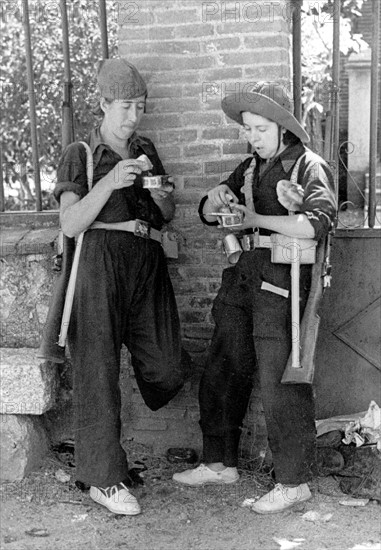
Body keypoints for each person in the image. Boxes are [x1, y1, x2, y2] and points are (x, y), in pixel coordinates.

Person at [173, 82, 337, 514]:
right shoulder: (247, 168)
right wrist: (214, 199)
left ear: (282, 127)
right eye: (248, 129)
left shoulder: (308, 166)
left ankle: (293, 480)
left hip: (283, 284)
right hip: (242, 280)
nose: (253, 137)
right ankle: (218, 461)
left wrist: (256, 217)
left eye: (261, 129)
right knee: (223, 367)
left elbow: (316, 225)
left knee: (280, 382)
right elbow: (209, 215)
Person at [54, 58, 185, 516]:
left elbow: (166, 213)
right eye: (126, 107)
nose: (134, 117)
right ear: (104, 105)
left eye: (141, 107)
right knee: (98, 370)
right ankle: (103, 478)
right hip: (99, 263)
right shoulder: (81, 153)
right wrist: (111, 180)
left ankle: (112, 463)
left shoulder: (145, 146)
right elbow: (71, 224)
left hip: (146, 260)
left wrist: (164, 195)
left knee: (168, 366)